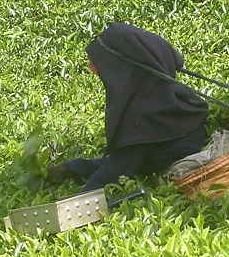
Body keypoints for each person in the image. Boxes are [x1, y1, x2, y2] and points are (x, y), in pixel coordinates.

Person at [47, 23, 209, 191]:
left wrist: (77, 200)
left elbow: (116, 171)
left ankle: (72, 169)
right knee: (113, 162)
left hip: (167, 160)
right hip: (150, 156)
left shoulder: (141, 113)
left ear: (121, 70)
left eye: (101, 66)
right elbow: (126, 157)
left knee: (118, 164)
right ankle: (72, 168)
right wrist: (74, 167)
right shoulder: (159, 93)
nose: (93, 69)